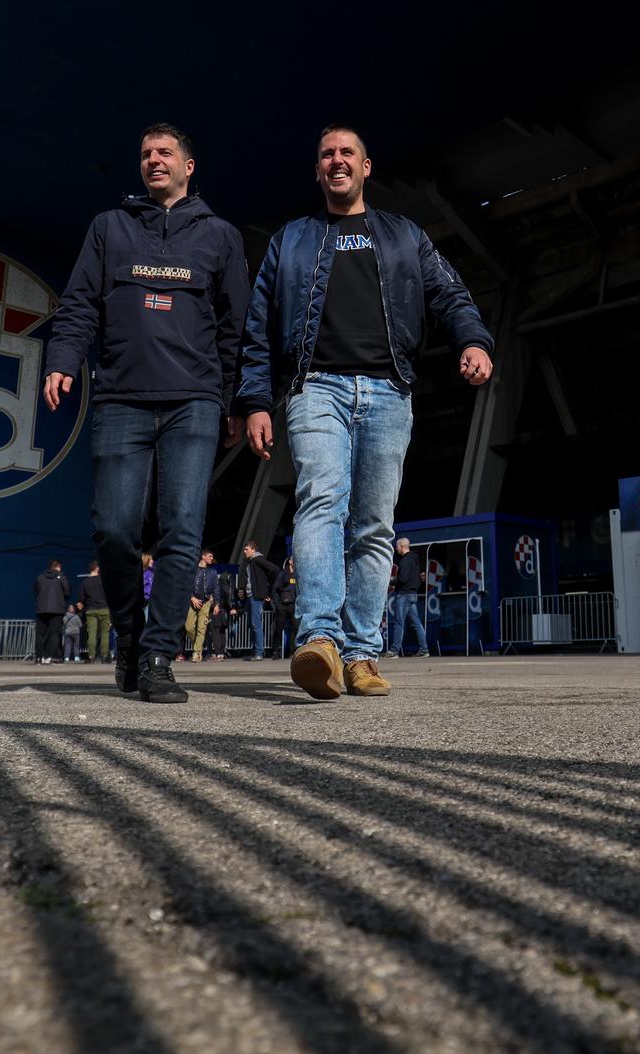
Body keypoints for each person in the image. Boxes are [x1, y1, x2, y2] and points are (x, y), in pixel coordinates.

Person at [237, 125, 494, 699]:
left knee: (375, 524)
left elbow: (450, 294)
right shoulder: (293, 239)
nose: (336, 161)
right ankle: (320, 641)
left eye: (346, 153)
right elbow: (258, 325)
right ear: (318, 170)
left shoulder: (404, 236)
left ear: (366, 166)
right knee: (321, 501)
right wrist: (255, 400)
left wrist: (473, 341)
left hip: (388, 390)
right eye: (326, 154)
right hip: (316, 387)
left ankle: (360, 655)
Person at [42, 122, 249, 704]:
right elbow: (80, 302)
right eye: (145, 154)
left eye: (165, 153)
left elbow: (236, 328)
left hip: (194, 402)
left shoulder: (220, 237)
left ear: (189, 165)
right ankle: (129, 638)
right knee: (113, 528)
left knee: (182, 529)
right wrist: (63, 357)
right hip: (120, 399)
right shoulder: (110, 228)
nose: (153, 161)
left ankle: (158, 656)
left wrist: (239, 400)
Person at [385, 537, 428, 659]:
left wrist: (391, 581)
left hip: (404, 595)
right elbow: (416, 578)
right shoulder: (414, 560)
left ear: (402, 546)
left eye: (397, 547)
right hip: (413, 594)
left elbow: (403, 579)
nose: (396, 548)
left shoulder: (405, 561)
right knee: (416, 623)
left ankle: (394, 651)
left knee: (399, 623)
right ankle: (424, 649)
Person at [239, 541, 279, 661]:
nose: (244, 551)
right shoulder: (250, 562)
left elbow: (274, 569)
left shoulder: (258, 559)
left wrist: (266, 588)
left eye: (246, 549)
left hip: (256, 597)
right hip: (251, 596)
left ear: (253, 550)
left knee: (256, 624)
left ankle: (259, 652)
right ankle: (255, 651)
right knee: (252, 624)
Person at [182, 550, 218, 662]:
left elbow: (216, 588)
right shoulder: (192, 570)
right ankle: (198, 646)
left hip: (206, 602)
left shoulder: (212, 572)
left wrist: (216, 604)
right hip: (192, 601)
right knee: (188, 627)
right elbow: (185, 585)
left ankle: (197, 653)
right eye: (210, 556)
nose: (212, 558)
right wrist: (192, 598)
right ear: (203, 557)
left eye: (212, 556)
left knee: (201, 629)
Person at [33, 559, 70, 664]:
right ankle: (51, 657)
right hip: (57, 610)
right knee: (54, 633)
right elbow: (67, 592)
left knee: (40, 634)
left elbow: (35, 591)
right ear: (58, 567)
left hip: (41, 609)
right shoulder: (61, 577)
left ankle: (39, 657)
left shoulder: (40, 577)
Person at [77, 561, 111, 664]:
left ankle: (91, 656)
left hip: (91, 610)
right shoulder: (105, 581)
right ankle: (104, 657)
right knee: (105, 634)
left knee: (91, 634)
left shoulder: (85, 582)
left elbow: (80, 600)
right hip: (105, 609)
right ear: (97, 569)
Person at [270, 557, 299, 659]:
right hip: (282, 606)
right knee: (278, 629)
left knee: (296, 628)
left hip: (293, 605)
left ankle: (294, 651)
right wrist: (277, 604)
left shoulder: (298, 575)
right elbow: (274, 589)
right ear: (290, 561)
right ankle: (276, 651)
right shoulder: (283, 574)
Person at [209, 565, 235, 661]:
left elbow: (215, 599)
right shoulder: (228, 587)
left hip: (217, 610)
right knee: (222, 632)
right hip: (225, 612)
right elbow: (229, 601)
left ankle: (217, 652)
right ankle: (221, 653)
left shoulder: (218, 587)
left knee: (215, 632)